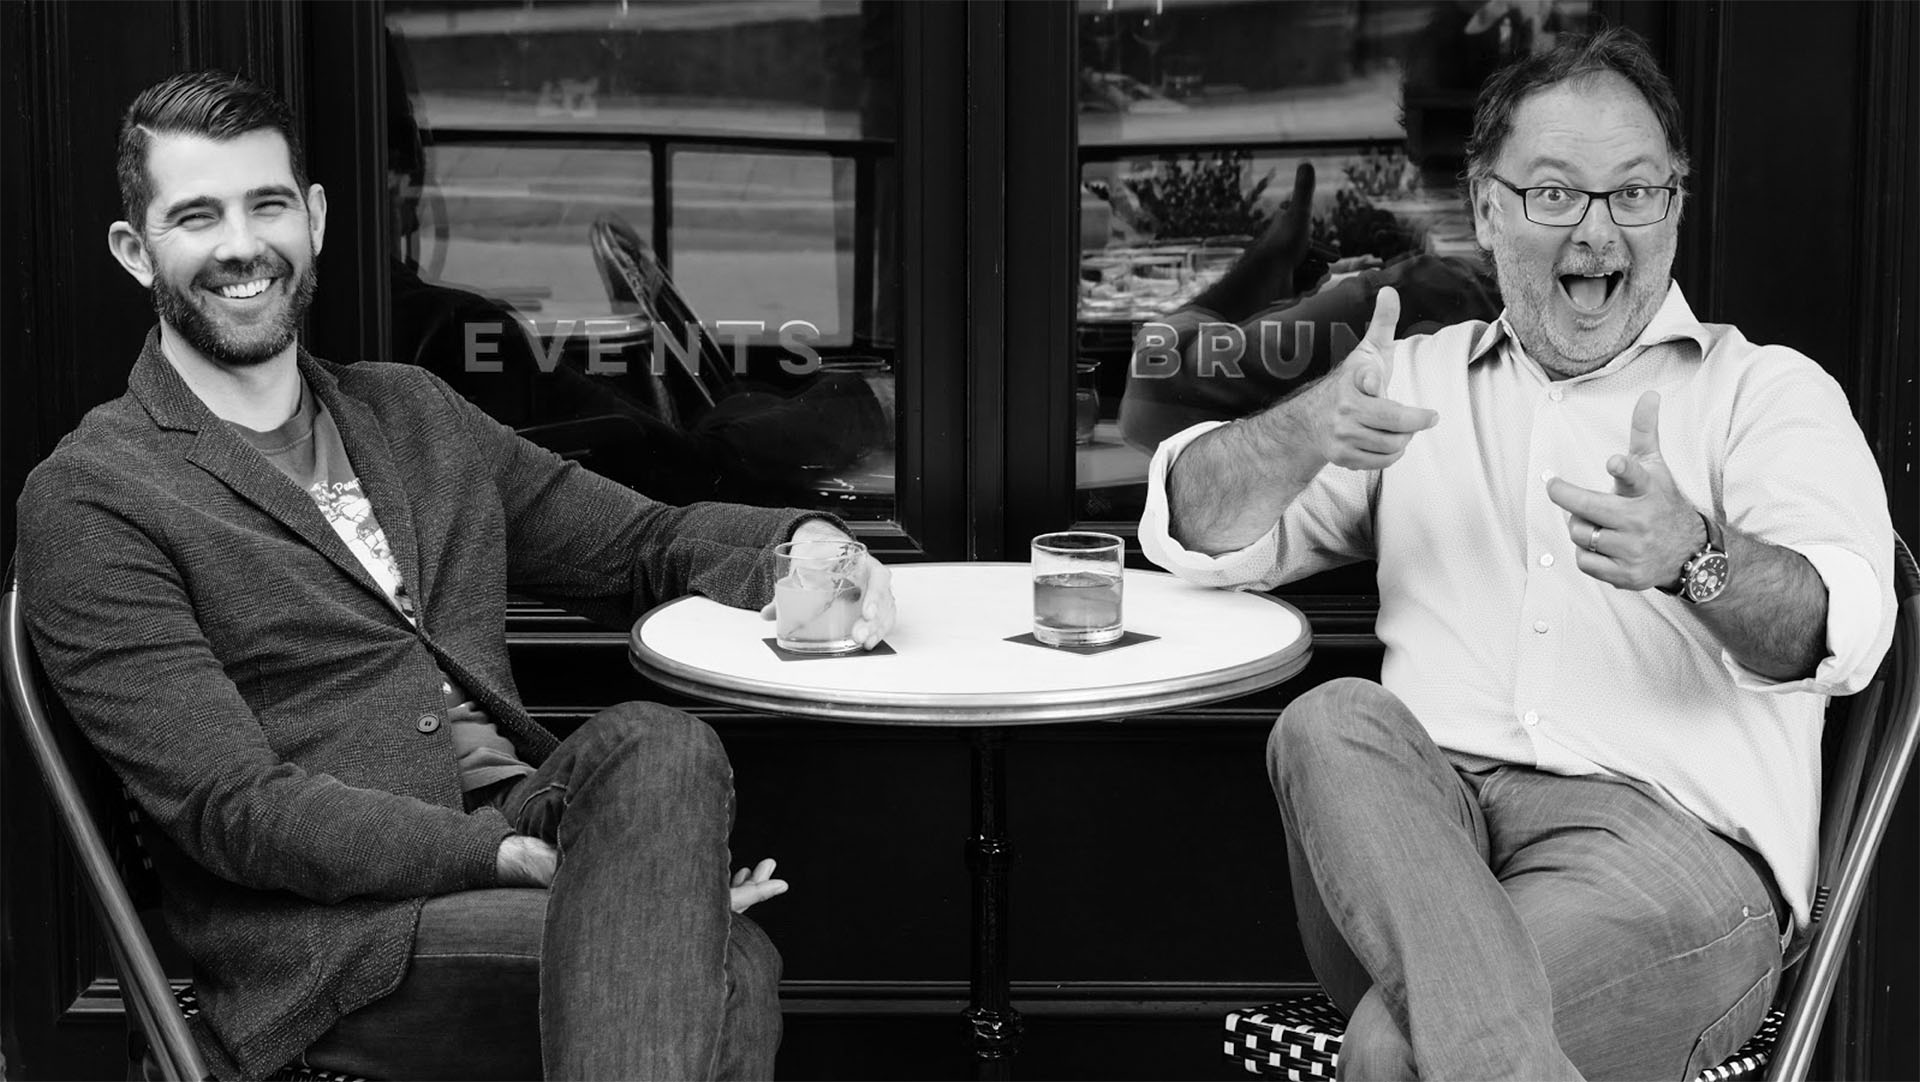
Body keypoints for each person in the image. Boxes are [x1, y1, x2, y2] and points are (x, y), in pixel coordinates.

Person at [16, 70, 895, 1081]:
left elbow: (639, 539)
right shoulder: (94, 496)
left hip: (520, 813)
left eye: (265, 204)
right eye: (196, 216)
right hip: (344, 940)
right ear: (138, 251)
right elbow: (235, 807)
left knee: (662, 744)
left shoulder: (412, 414)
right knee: (730, 958)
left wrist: (801, 545)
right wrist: (515, 865)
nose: (240, 245)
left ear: (313, 218)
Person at [1138, 29, 1895, 1080]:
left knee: (1397, 1049)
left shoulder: (1764, 395)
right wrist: (1304, 429)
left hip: (1661, 870)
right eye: (1555, 194)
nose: (1598, 230)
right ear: (1487, 208)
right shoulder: (1408, 383)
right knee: (1331, 719)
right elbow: (1193, 527)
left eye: (1635, 193)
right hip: (1407, 847)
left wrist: (1696, 555)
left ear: (1676, 205)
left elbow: (1843, 628)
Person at [1118, 163, 1502, 453]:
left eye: (1421, 114)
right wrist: (1309, 302)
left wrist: (1266, 263)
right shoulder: (1473, 289)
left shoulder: (1427, 289)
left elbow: (1152, 396)